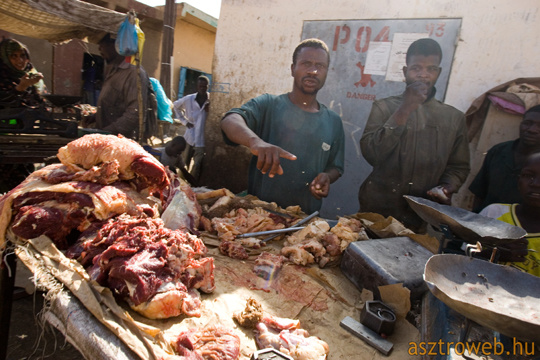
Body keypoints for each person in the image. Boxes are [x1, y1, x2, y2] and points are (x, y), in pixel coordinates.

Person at [221, 38, 345, 214]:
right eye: (306, 63)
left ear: (326, 73)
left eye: (320, 66)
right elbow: (230, 120)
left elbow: (336, 167)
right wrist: (256, 142)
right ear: (293, 68)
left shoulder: (333, 121)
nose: (313, 71)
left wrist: (326, 177)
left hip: (304, 221)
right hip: (259, 217)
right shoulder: (269, 104)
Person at [358, 38, 470, 232]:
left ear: (438, 73)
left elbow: (458, 166)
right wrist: (405, 108)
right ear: (405, 72)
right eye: (416, 68)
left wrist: (446, 187)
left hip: (419, 217)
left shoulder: (453, 118)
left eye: (431, 69)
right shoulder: (384, 107)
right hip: (376, 211)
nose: (423, 75)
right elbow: (371, 153)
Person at [469, 105, 540, 212]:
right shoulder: (498, 151)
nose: (532, 130)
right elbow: (479, 193)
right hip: (486, 221)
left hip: (521, 226)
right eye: (527, 123)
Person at [479, 152, 540, 277]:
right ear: (518, 181)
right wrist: (493, 254)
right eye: (528, 175)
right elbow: (459, 259)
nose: (536, 184)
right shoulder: (494, 213)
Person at [93, 33, 151, 140]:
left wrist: (106, 133)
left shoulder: (133, 73)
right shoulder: (112, 70)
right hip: (105, 140)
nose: (99, 48)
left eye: (102, 44)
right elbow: (115, 105)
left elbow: (134, 115)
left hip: (122, 143)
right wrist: (95, 117)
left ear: (116, 46)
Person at [173, 75, 210, 182]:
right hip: (190, 136)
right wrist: (184, 121)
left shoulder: (210, 101)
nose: (203, 88)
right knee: (184, 162)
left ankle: (193, 185)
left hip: (202, 139)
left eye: (205, 86)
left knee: (197, 165)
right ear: (197, 86)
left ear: (208, 87)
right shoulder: (189, 99)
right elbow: (175, 106)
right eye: (200, 86)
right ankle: (181, 183)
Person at [0, 38, 45, 107]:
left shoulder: (30, 74)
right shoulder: (2, 77)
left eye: (22, 55)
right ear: (4, 58)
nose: (20, 60)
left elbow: (43, 102)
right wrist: (21, 87)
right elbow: (5, 102)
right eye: (14, 56)